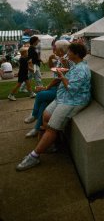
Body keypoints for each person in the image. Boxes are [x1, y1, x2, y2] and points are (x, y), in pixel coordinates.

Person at [16, 42, 91, 171]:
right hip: (63, 97)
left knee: (52, 128)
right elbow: (65, 70)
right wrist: (64, 67)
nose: (68, 54)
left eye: (70, 52)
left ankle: (34, 156)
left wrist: (62, 77)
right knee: (46, 115)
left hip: (73, 101)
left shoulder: (81, 70)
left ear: (76, 54)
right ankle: (50, 146)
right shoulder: (75, 64)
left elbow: (72, 89)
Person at [24, 39, 72, 138]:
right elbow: (53, 69)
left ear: (61, 49)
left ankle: (34, 115)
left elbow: (59, 78)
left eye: (54, 46)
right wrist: (50, 59)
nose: (53, 48)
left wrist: (46, 87)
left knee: (41, 95)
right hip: (56, 87)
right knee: (44, 104)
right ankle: (36, 129)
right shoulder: (61, 57)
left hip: (61, 89)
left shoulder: (66, 60)